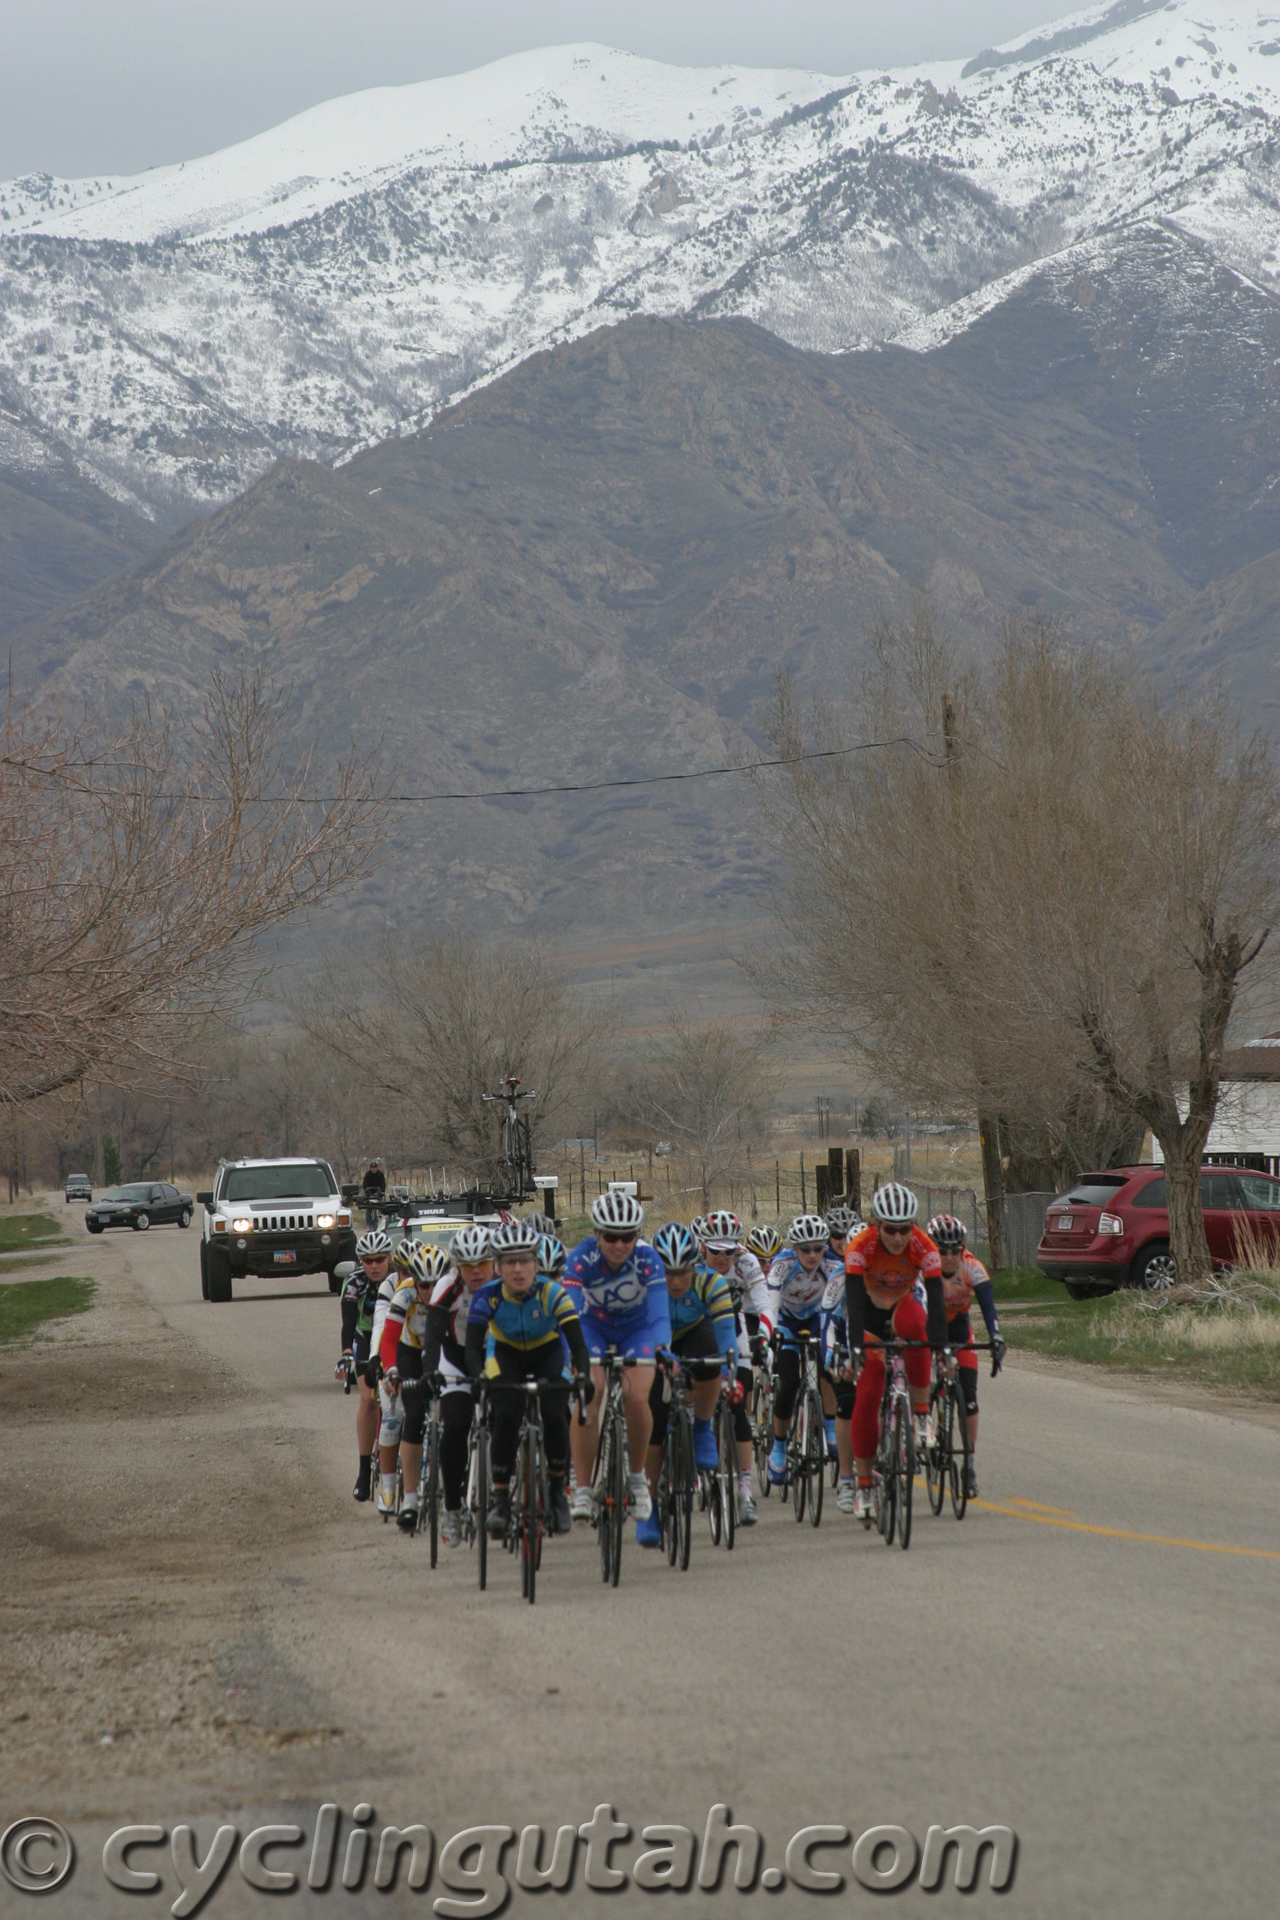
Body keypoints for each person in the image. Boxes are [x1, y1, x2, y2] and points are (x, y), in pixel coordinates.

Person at [465, 1219, 592, 1538]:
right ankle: (499, 1498)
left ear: (536, 1264)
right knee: (505, 1414)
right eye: (509, 1262)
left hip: (546, 1352)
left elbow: (576, 1343)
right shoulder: (488, 1296)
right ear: (498, 1266)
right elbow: (472, 1346)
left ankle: (557, 1488)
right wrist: (479, 1377)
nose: (518, 1269)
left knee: (554, 1413)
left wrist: (584, 1375)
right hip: (504, 1354)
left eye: (525, 1260)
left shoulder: (553, 1293)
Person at [563, 1190, 670, 1529]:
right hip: (591, 1330)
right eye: (611, 1236)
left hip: (636, 1331)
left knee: (637, 1398)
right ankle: (582, 1487)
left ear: (637, 1236)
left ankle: (637, 1476)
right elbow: (567, 1313)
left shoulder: (648, 1259)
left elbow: (659, 1316)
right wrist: (572, 1357)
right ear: (597, 1235)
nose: (619, 1245)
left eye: (628, 1236)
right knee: (589, 1392)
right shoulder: (580, 1259)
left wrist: (662, 1347)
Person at [844, 1183, 947, 1521]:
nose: (899, 1237)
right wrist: (856, 1348)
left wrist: (940, 1346)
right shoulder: (861, 1247)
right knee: (869, 1389)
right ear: (877, 1224)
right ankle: (863, 1485)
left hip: (904, 1304)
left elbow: (935, 1304)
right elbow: (854, 1303)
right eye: (890, 1229)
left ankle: (920, 1414)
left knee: (918, 1329)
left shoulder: (924, 1245)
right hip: (869, 1313)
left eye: (905, 1228)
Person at [645, 1222, 739, 1546]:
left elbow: (727, 1334)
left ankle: (701, 1430)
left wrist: (729, 1372)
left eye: (682, 1272)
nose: (675, 1281)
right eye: (667, 1273)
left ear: (695, 1265)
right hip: (657, 1342)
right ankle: (650, 1508)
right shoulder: (645, 1286)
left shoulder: (710, 1283)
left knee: (710, 1352)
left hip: (695, 1335)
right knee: (654, 1425)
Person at [421, 1223, 495, 1547]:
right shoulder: (446, 1288)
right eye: (467, 1266)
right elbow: (433, 1338)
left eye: (482, 1264)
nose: (476, 1272)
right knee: (455, 1429)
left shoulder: (504, 1284)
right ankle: (452, 1508)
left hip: (494, 1359)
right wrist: (429, 1372)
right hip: (455, 1361)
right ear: (457, 1266)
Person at [699, 1209, 771, 1525]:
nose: (722, 1257)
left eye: (728, 1251)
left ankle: (744, 1489)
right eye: (715, 1251)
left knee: (738, 1403)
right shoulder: (691, 1261)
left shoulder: (746, 1262)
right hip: (696, 1329)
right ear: (703, 1246)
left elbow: (765, 1303)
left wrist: (764, 1338)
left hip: (735, 1329)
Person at [927, 1213, 1005, 1497]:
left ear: (963, 1248)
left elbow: (988, 1307)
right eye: (942, 1250)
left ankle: (969, 1468)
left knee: (969, 1400)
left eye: (954, 1250)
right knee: (924, 1380)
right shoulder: (924, 1268)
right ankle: (927, 1424)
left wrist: (996, 1337)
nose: (949, 1257)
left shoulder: (971, 1267)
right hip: (929, 1328)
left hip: (959, 1330)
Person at [764, 1213, 843, 1485]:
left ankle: (830, 1426)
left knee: (829, 1366)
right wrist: (771, 1336)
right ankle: (778, 1447)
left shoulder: (833, 1265)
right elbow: (771, 1303)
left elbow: (840, 1305)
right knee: (788, 1383)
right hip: (786, 1321)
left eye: (818, 1248)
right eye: (805, 1249)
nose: (812, 1255)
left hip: (817, 1318)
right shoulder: (782, 1265)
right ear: (794, 1249)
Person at [379, 1243, 451, 1532]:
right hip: (410, 1352)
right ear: (414, 1281)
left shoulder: (455, 1292)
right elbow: (389, 1338)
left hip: (443, 1351)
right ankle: (409, 1499)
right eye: (424, 1285)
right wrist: (392, 1371)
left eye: (437, 1284)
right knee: (415, 1414)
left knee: (452, 1412)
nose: (431, 1291)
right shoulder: (405, 1293)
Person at [337, 1229, 394, 1502]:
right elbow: (348, 1322)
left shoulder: (399, 1280)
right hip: (365, 1336)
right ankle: (363, 1472)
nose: (374, 1265)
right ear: (361, 1261)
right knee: (368, 1400)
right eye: (368, 1260)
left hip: (392, 1339)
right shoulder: (354, 1282)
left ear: (389, 1259)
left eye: (379, 1259)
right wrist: (347, 1351)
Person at [362, 1159, 387, 1227]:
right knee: (368, 1208)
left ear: (377, 1167)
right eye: (372, 1167)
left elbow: (383, 1185)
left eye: (375, 1167)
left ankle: (383, 1224)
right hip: (370, 1195)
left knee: (383, 1207)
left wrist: (380, 1192)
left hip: (379, 1194)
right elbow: (365, 1185)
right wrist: (369, 1194)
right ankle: (369, 1225)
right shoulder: (367, 1175)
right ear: (370, 1167)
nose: (373, 1169)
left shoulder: (380, 1174)